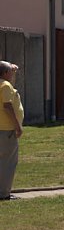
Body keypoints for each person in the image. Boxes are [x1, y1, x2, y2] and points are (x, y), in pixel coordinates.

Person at [0, 61, 24, 201]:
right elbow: (8, 106)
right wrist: (17, 126)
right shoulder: (6, 86)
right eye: (11, 72)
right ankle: (4, 194)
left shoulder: (2, 83)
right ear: (5, 73)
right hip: (6, 130)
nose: (13, 74)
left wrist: (10, 68)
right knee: (8, 162)